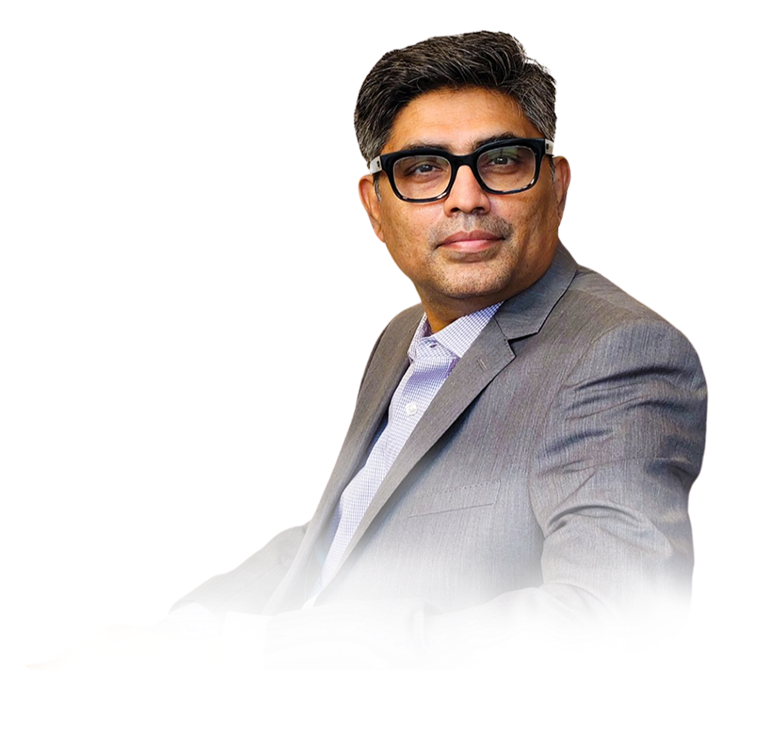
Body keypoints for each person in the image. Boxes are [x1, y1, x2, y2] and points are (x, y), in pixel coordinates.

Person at [25, 30, 707, 670]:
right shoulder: (403, 332)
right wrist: (172, 633)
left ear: (556, 186)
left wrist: (250, 652)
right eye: (423, 168)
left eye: (501, 160)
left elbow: (616, 619)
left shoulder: (619, 352)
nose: (466, 198)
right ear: (374, 208)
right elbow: (337, 539)